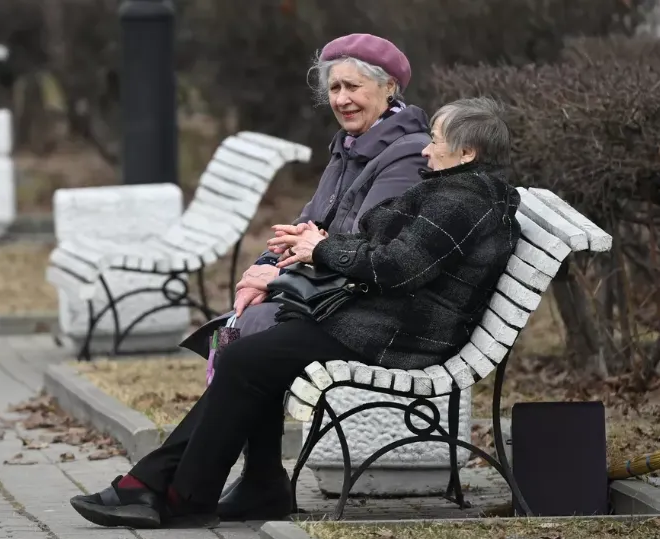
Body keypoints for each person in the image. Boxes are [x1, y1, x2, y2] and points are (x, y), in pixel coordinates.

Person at [69, 96, 522, 529]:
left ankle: (178, 494)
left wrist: (321, 250)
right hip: (384, 321)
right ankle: (230, 487)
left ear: (466, 152)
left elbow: (397, 267)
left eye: (436, 141)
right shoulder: (460, 192)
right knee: (251, 356)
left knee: (245, 359)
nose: (426, 148)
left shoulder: (461, 201)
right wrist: (317, 244)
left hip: (396, 335)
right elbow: (387, 250)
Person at [182, 33, 432, 521]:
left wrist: (280, 273)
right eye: (335, 88)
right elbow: (306, 225)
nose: (342, 99)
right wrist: (261, 270)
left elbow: (362, 242)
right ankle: (253, 480)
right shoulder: (349, 147)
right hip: (329, 294)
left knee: (249, 340)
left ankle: (198, 484)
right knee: (243, 324)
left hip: (366, 313)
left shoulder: (404, 155)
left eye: (354, 87)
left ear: (388, 88)